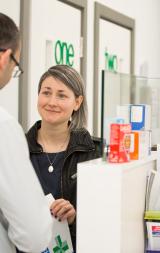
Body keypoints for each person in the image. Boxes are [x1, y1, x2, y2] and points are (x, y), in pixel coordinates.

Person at [26, 64, 102, 251]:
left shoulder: (97, 153)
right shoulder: (17, 149)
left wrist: (75, 218)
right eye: (46, 92)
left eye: (61, 95)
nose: (52, 102)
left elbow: (106, 216)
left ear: (77, 102)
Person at [0, 13, 52, 253]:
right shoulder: (5, 128)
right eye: (16, 66)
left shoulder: (89, 147)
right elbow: (33, 235)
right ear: (5, 58)